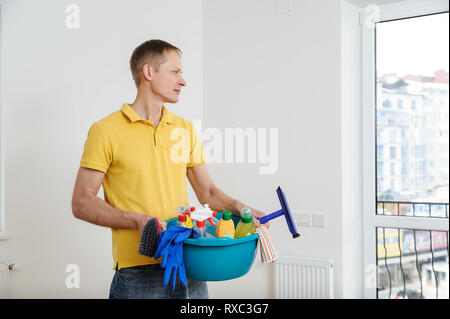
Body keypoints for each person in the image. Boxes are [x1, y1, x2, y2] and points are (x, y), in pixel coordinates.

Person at [71, 39, 267, 299]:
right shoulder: (105, 131)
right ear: (148, 72)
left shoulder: (184, 129)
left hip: (189, 263)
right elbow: (81, 202)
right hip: (138, 271)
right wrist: (137, 220)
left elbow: (207, 191)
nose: (183, 81)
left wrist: (237, 206)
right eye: (175, 72)